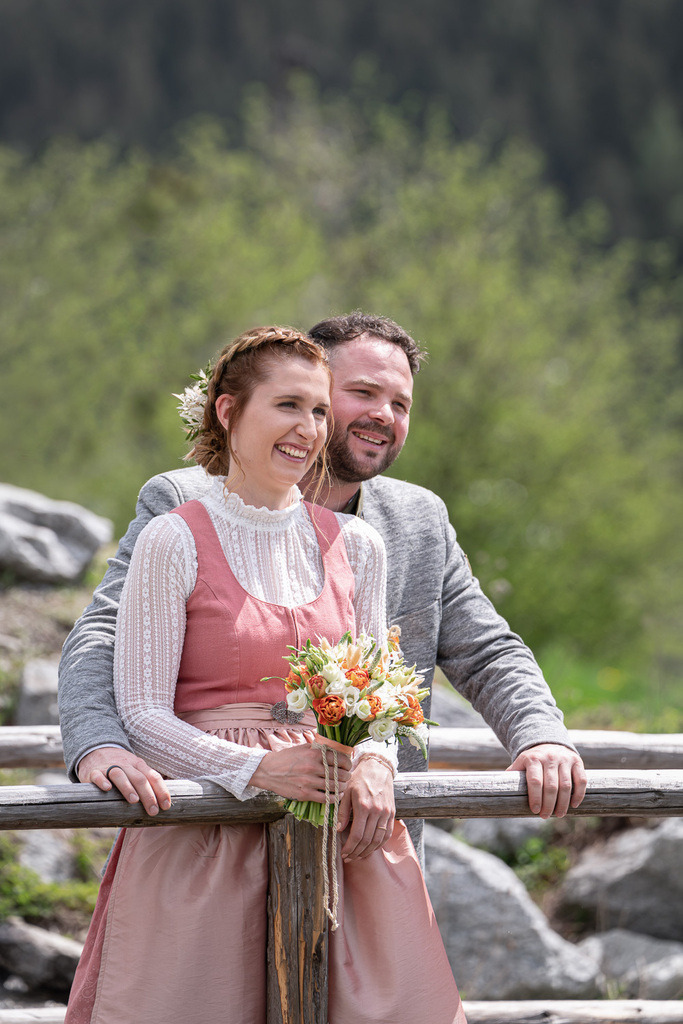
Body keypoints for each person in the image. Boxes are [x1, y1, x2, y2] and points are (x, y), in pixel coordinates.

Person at [59, 311, 586, 865]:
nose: (383, 415)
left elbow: (485, 651)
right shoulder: (183, 505)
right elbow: (104, 630)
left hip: (362, 841)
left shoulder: (416, 520)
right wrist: (99, 742)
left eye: (401, 404)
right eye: (363, 392)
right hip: (214, 828)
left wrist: (540, 734)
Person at [64, 326, 466, 1024]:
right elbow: (143, 712)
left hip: (342, 834)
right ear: (228, 412)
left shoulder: (361, 547)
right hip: (207, 834)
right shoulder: (173, 535)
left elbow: (376, 691)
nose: (308, 429)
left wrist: (374, 760)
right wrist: (254, 772)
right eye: (287, 406)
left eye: (317, 411)